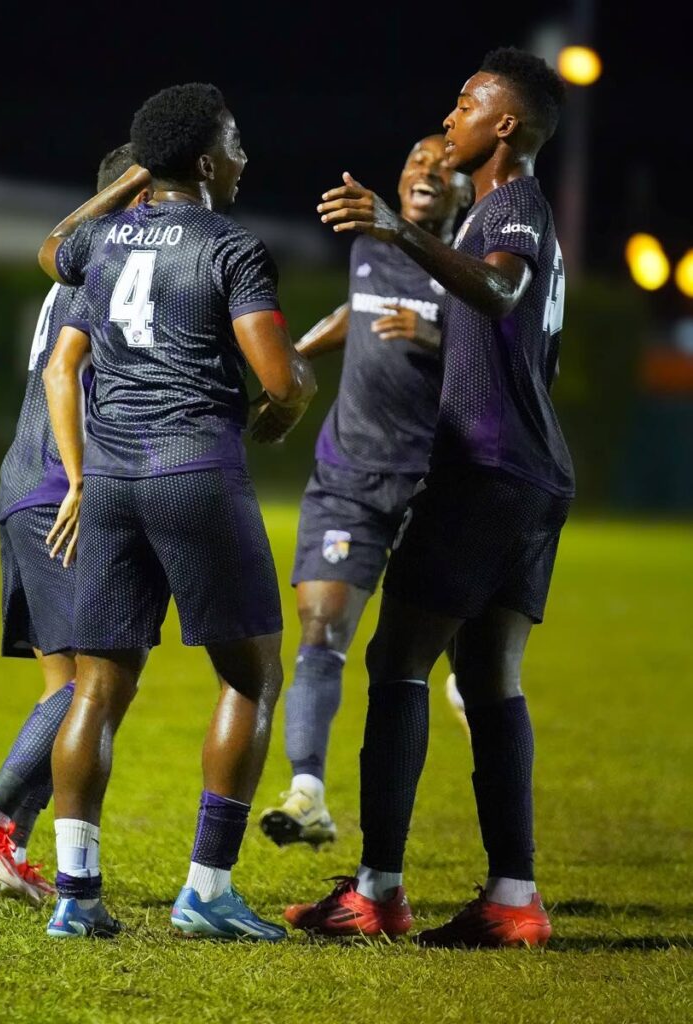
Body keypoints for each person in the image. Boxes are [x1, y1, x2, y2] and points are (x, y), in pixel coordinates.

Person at [287, 47, 572, 948]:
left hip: (486, 472)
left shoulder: (512, 204)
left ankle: (376, 892)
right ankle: (512, 899)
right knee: (488, 680)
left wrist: (398, 230)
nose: (448, 118)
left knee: (396, 662)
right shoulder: (500, 208)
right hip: (528, 475)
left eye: (463, 104)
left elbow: (496, 290)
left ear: (504, 126)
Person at [37, 83, 316, 940]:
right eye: (233, 142)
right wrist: (294, 395)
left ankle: (75, 896)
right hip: (194, 472)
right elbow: (276, 377)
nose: (242, 157)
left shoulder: (102, 245)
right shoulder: (231, 245)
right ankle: (206, 890)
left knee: (101, 685)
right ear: (203, 160)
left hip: (110, 483)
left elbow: (54, 259)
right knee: (253, 675)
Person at [0, 146, 139, 904]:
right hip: (61, 492)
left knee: (69, 690)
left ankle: (3, 852)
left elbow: (54, 244)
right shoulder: (111, 271)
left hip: (23, 486)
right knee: (98, 684)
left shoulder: (75, 269)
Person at [259, 136, 471, 848]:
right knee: (319, 631)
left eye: (445, 165)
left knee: (409, 656)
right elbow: (357, 311)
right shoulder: (371, 246)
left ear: (467, 192)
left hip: (433, 487)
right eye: (415, 159)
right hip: (347, 479)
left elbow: (514, 359)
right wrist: (292, 357)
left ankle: (473, 675)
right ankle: (308, 791)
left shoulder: (476, 270)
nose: (426, 170)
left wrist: (440, 333)